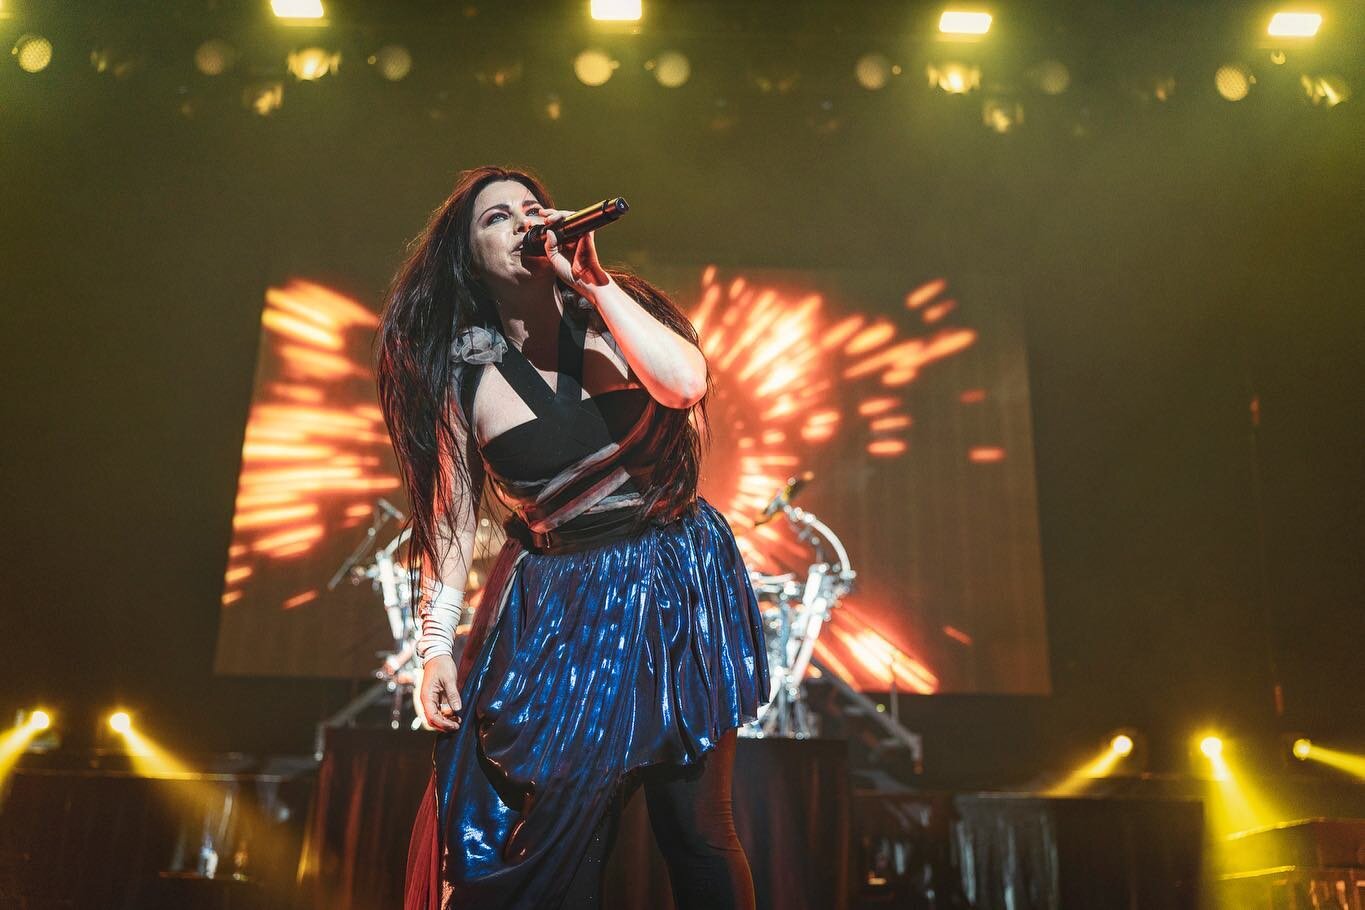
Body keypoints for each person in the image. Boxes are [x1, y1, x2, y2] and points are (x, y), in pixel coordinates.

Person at [375, 165, 771, 909]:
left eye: (531, 208)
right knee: (566, 829)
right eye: (496, 218)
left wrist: (594, 284)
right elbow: (452, 521)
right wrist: (433, 647)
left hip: (676, 576)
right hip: (568, 604)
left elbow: (684, 386)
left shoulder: (616, 309)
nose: (522, 223)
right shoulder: (461, 371)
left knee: (696, 827)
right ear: (467, 256)